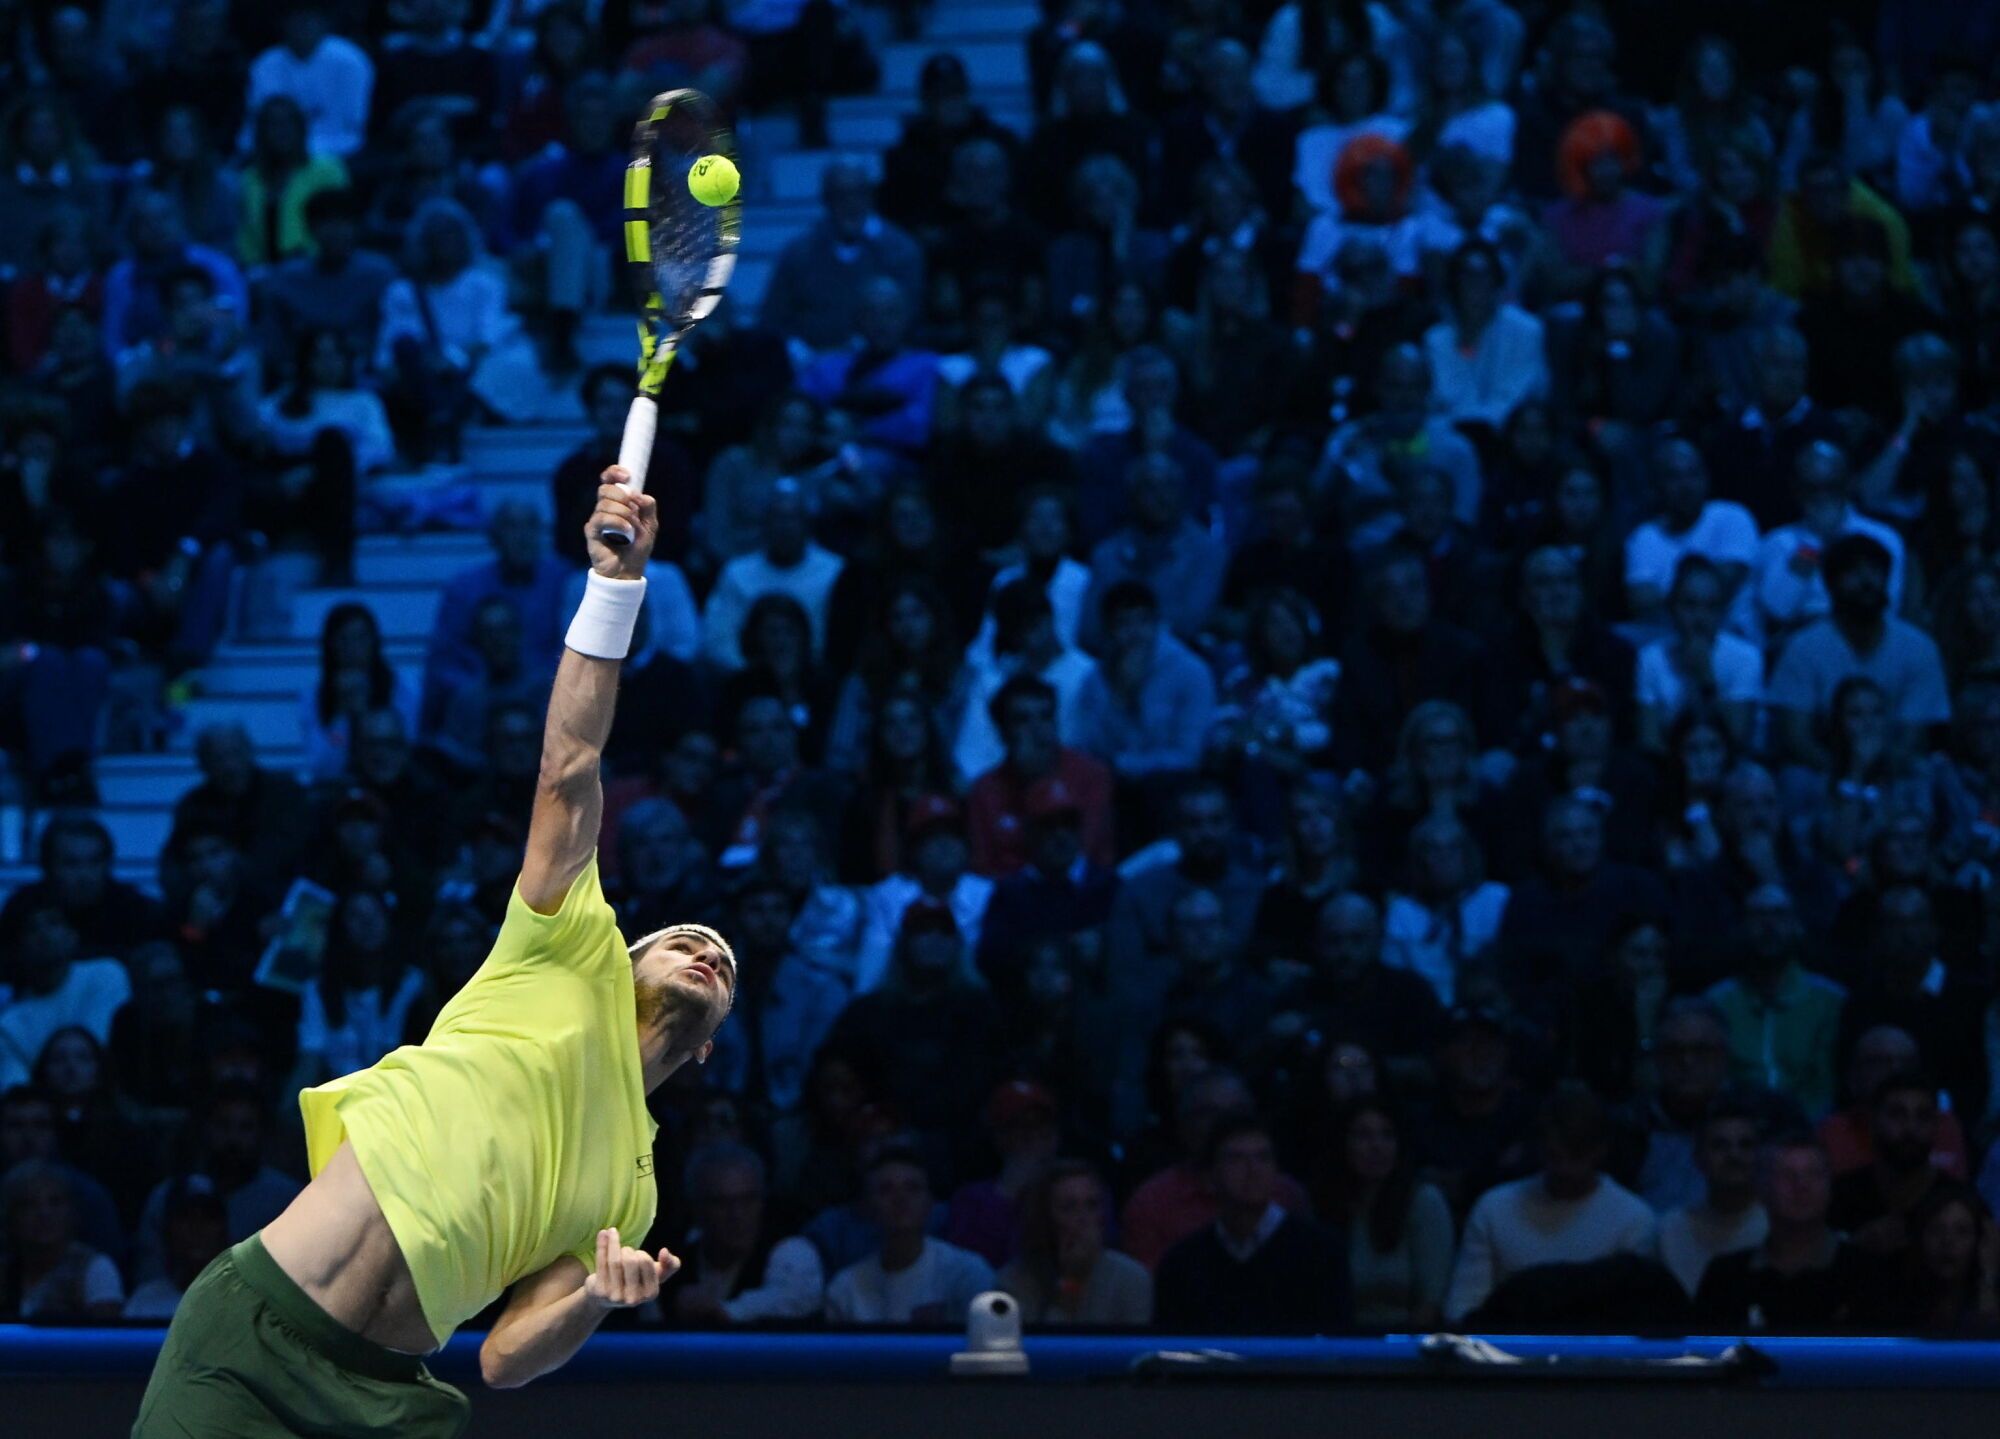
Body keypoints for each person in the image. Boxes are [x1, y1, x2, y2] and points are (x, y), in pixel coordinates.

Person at [134, 465, 738, 1429]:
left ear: (709, 1043)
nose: (706, 948)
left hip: (389, 1400)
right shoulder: (565, 949)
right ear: (625, 958)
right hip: (254, 1337)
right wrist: (616, 587)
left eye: (723, 960)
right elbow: (570, 764)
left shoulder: (637, 1187)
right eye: (680, 936)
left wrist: (593, 1298)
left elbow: (504, 1355)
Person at [1443, 1082, 1657, 1323]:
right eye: (1555, 1156)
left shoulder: (1634, 1219)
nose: (1565, 1169)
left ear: (1601, 1150)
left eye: (1577, 1155)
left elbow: (1634, 1322)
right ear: (1539, 1147)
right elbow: (1461, 1310)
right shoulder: (1493, 1209)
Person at [1153, 1114, 1351, 1332]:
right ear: (1211, 1175)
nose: (1252, 1170)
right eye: (1236, 1159)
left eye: (1263, 1158)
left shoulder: (1322, 1252)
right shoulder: (1182, 1263)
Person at [1693, 1133, 1875, 1329]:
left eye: (1814, 1174)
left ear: (1830, 1185)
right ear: (1761, 1189)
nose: (1801, 1185)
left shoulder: (1868, 1275)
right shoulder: (1725, 1279)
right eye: (1786, 1175)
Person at [1316, 1097, 1455, 1329]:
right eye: (1363, 1136)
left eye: (1387, 1135)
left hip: (1404, 1351)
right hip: (1336, 1351)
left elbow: (1432, 1303)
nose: (1377, 1146)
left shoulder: (1424, 1202)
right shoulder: (1321, 1204)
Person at [823, 1144, 996, 1325]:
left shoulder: (967, 1272)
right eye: (885, 1190)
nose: (900, 1198)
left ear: (930, 1203)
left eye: (913, 1188)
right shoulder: (844, 1288)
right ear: (867, 1207)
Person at [656, 1144, 824, 1326]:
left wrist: (722, 1311)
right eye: (721, 1203)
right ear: (696, 1208)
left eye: (748, 1200)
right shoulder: (672, 1261)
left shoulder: (792, 1252)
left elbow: (792, 1300)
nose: (736, 1214)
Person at [998, 1158, 1152, 1325]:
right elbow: (1046, 1349)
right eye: (1068, 1207)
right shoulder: (1012, 1282)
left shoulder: (1131, 1278)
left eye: (1092, 1205)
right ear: (1044, 1218)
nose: (1083, 1218)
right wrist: (1071, 1282)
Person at [1657, 1100, 1770, 1296]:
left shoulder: (1779, 1227)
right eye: (1720, 1146)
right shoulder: (1670, 1230)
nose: (1734, 1155)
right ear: (1698, 1158)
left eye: (1746, 1145)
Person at [0, 1159, 125, 1320]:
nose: (44, 1214)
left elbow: (107, 1338)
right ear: (11, 1216)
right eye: (30, 1204)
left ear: (72, 1212)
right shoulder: (4, 1270)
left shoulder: (95, 1269)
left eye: (55, 1202)